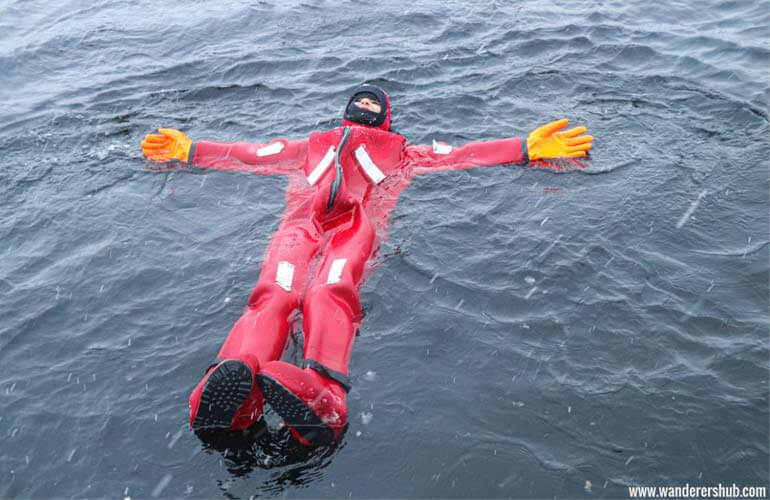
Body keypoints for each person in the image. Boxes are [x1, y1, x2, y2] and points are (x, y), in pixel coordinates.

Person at [141, 84, 593, 446]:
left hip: (354, 230)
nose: (365, 102)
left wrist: (523, 147)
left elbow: (459, 154)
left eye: (373, 100)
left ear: (387, 117)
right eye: (360, 98)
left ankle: (325, 396)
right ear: (345, 111)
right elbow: (249, 153)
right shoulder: (309, 146)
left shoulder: (403, 152)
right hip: (299, 230)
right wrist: (192, 148)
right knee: (275, 294)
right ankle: (232, 390)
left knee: (326, 292)